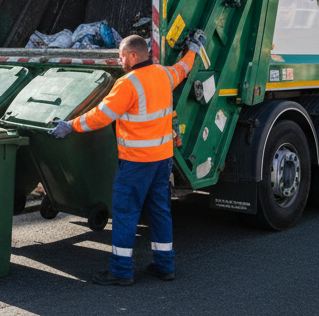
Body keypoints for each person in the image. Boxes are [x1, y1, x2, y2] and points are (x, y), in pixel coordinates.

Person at [50, 30, 205, 285]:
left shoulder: (128, 83)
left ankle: (121, 271)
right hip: (162, 160)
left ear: (133, 56)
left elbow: (101, 115)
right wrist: (194, 50)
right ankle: (165, 266)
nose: (118, 61)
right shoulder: (164, 74)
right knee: (160, 211)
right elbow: (183, 68)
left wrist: (71, 125)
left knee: (125, 213)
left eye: (121, 56)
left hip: (136, 162)